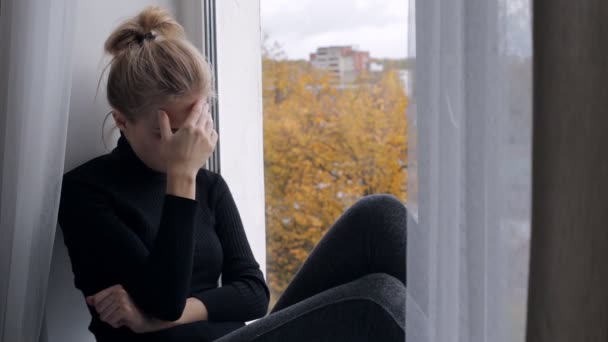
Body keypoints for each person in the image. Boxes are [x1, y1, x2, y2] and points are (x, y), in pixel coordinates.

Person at [58, 6, 407, 342]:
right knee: (377, 300)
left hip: (241, 335)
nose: (185, 143)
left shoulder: (209, 186)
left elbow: (254, 294)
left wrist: (157, 321)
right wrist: (182, 177)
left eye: (193, 125)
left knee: (381, 215)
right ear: (122, 121)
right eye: (167, 131)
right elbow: (163, 300)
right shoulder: (87, 193)